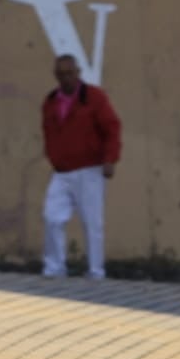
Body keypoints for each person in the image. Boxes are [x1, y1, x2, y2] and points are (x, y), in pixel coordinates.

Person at [40, 54, 121, 279]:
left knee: (91, 221)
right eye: (60, 74)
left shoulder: (94, 98)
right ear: (56, 76)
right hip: (62, 171)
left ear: (77, 73)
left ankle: (96, 271)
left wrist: (110, 159)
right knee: (52, 216)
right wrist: (52, 156)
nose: (65, 78)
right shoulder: (50, 102)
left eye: (69, 73)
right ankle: (55, 268)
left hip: (90, 169)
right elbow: (48, 131)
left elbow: (112, 128)